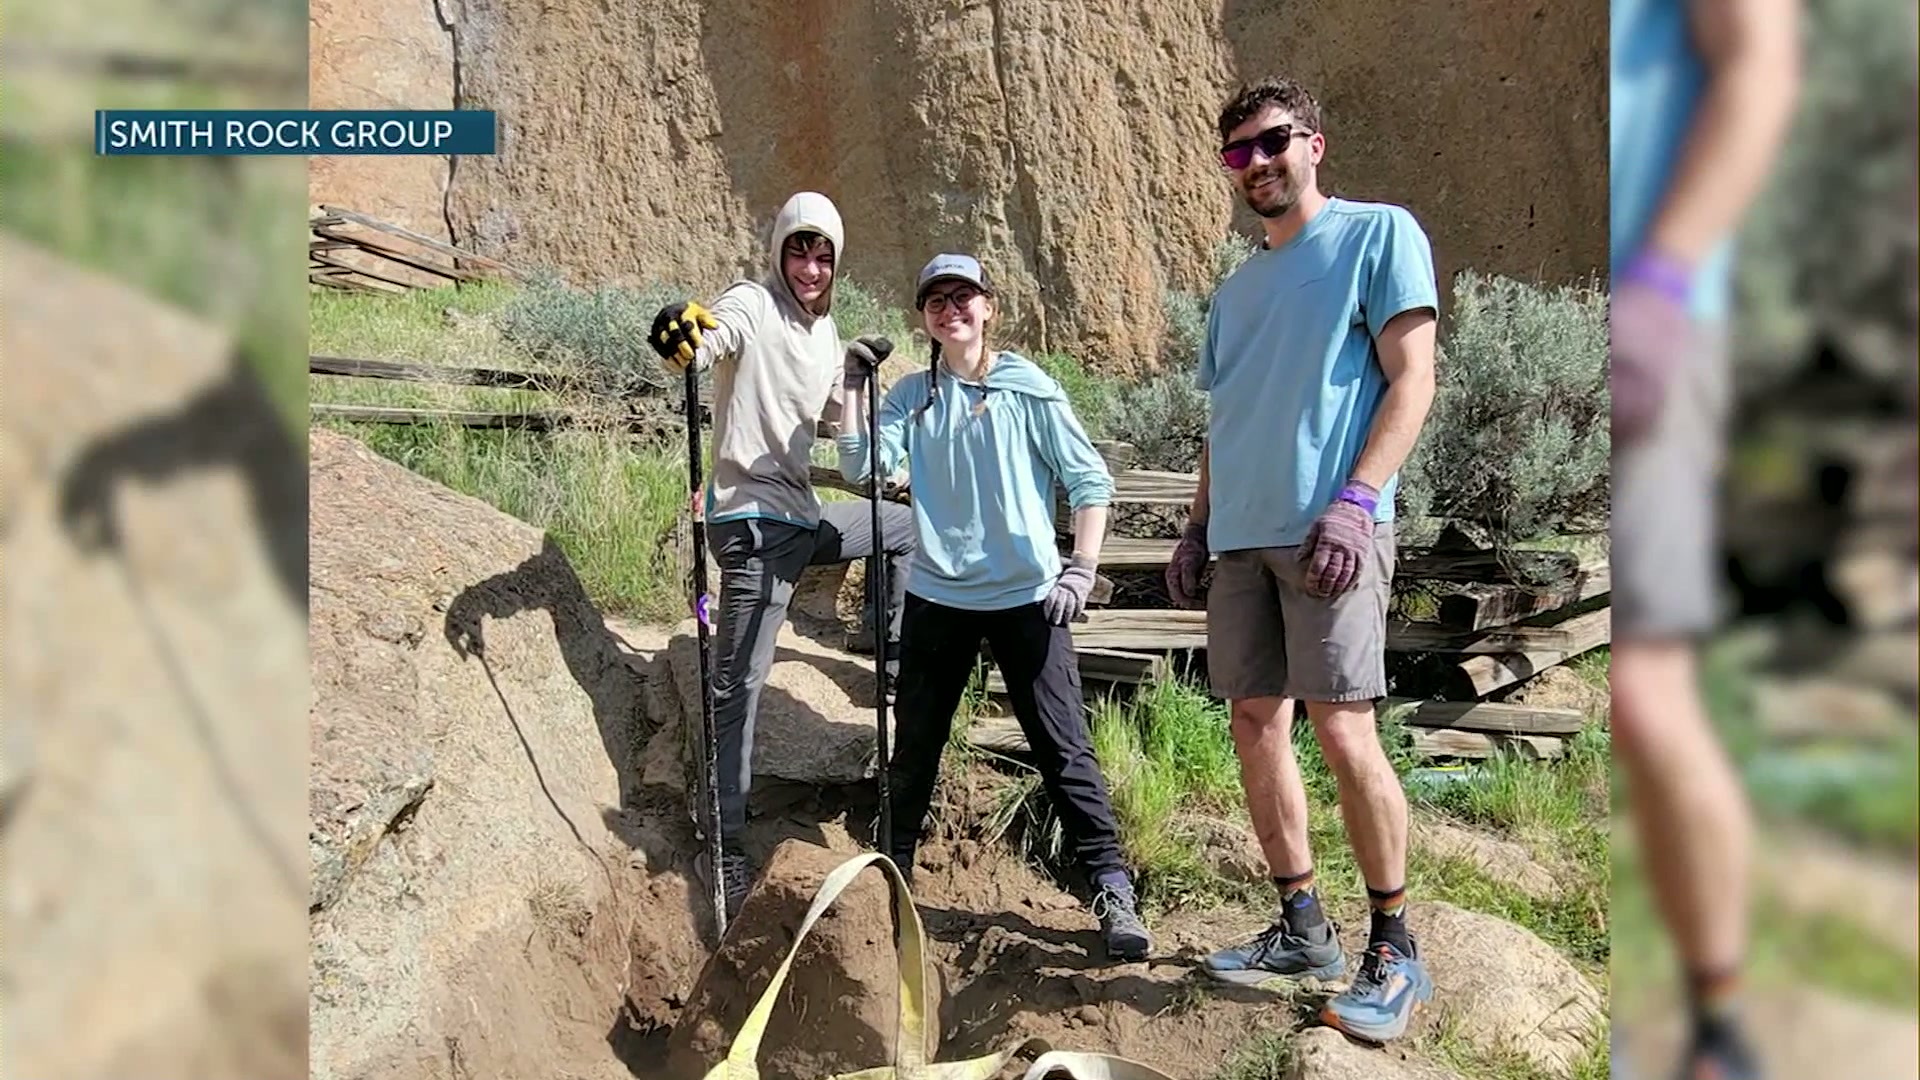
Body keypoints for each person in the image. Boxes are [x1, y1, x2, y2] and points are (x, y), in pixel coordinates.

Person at [1165, 77, 1440, 1044]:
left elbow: (1414, 379)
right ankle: (1302, 925)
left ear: (1313, 142)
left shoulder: (1378, 235)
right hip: (1241, 542)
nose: (1257, 163)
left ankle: (1397, 949)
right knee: (1254, 722)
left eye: (1271, 142)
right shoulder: (1235, 292)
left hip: (1329, 531)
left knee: (1344, 730)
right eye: (1238, 152)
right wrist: (1198, 527)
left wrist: (1358, 502)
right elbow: (1223, 419)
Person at [836, 253, 1152, 963]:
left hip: (1026, 598)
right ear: (924, 317)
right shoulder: (911, 396)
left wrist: (1082, 568)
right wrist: (854, 386)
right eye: (936, 300)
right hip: (937, 597)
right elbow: (864, 470)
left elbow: (1089, 480)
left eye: (964, 297)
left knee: (1062, 748)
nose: (951, 310)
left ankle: (1110, 887)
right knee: (915, 744)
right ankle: (895, 872)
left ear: (989, 308)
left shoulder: (1027, 388)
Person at [1610, 1, 1801, 1076]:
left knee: (1645, 689)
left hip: (1658, 320)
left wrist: (1666, 278)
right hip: (1643, 315)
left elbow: (1760, 65)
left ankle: (1720, 1023)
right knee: (1642, 694)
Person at [649, 191, 917, 916]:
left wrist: (858, 377)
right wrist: (685, 335)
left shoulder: (824, 336)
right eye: (799, 250)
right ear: (779, 252)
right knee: (737, 685)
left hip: (801, 522)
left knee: (904, 531)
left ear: (836, 264)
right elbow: (713, 334)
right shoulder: (753, 302)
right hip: (750, 527)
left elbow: (836, 429)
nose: (809, 266)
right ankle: (726, 845)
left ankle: (887, 661)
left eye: (823, 255)